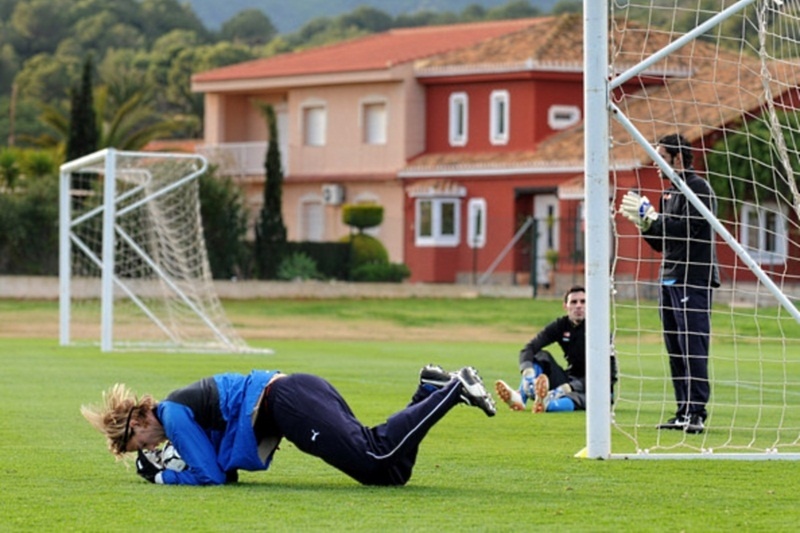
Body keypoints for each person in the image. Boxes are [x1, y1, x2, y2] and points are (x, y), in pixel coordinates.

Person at [80, 365, 496, 486]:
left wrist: (165, 480)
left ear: (138, 419)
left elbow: (209, 474)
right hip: (294, 398)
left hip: (286, 401)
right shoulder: (177, 415)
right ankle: (427, 389)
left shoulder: (171, 413)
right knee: (390, 473)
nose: (149, 448)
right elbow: (224, 471)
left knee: (374, 455)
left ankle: (455, 387)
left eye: (139, 444)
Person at [619, 133, 720, 435]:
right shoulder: (671, 192)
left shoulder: (698, 188)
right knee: (675, 349)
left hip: (694, 279)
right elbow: (662, 242)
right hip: (669, 278)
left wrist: (653, 218)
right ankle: (682, 411)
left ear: (677, 157)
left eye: (660, 155)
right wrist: (645, 223)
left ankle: (697, 413)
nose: (655, 163)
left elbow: (689, 229)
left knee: (693, 346)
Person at [494, 286, 616, 414]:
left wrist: (570, 387)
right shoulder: (561, 325)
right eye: (574, 302)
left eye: (583, 301)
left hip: (597, 388)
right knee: (541, 356)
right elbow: (529, 348)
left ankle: (547, 403)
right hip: (569, 379)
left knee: (569, 398)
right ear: (565, 306)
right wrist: (528, 374)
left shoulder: (600, 330)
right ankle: (521, 397)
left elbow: (609, 374)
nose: (579, 306)